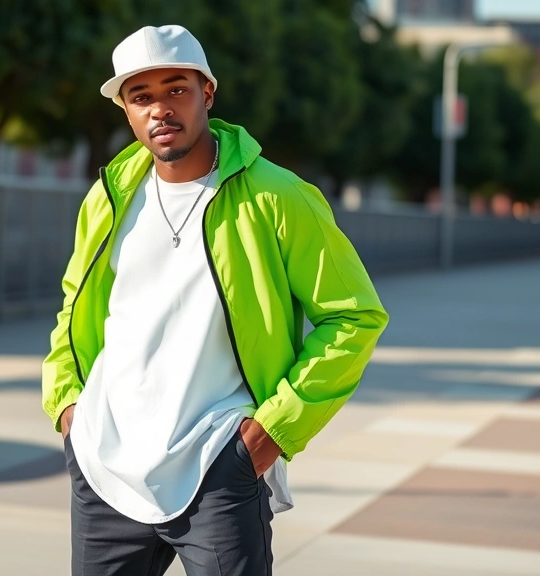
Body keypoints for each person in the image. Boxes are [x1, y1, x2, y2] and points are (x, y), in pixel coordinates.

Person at [41, 24, 388, 576]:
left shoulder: (278, 196)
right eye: (141, 96)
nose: (160, 109)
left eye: (176, 89)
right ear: (126, 110)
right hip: (106, 465)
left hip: (217, 467)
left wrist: (273, 431)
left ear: (207, 92)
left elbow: (353, 315)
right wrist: (67, 406)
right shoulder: (108, 196)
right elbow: (73, 305)